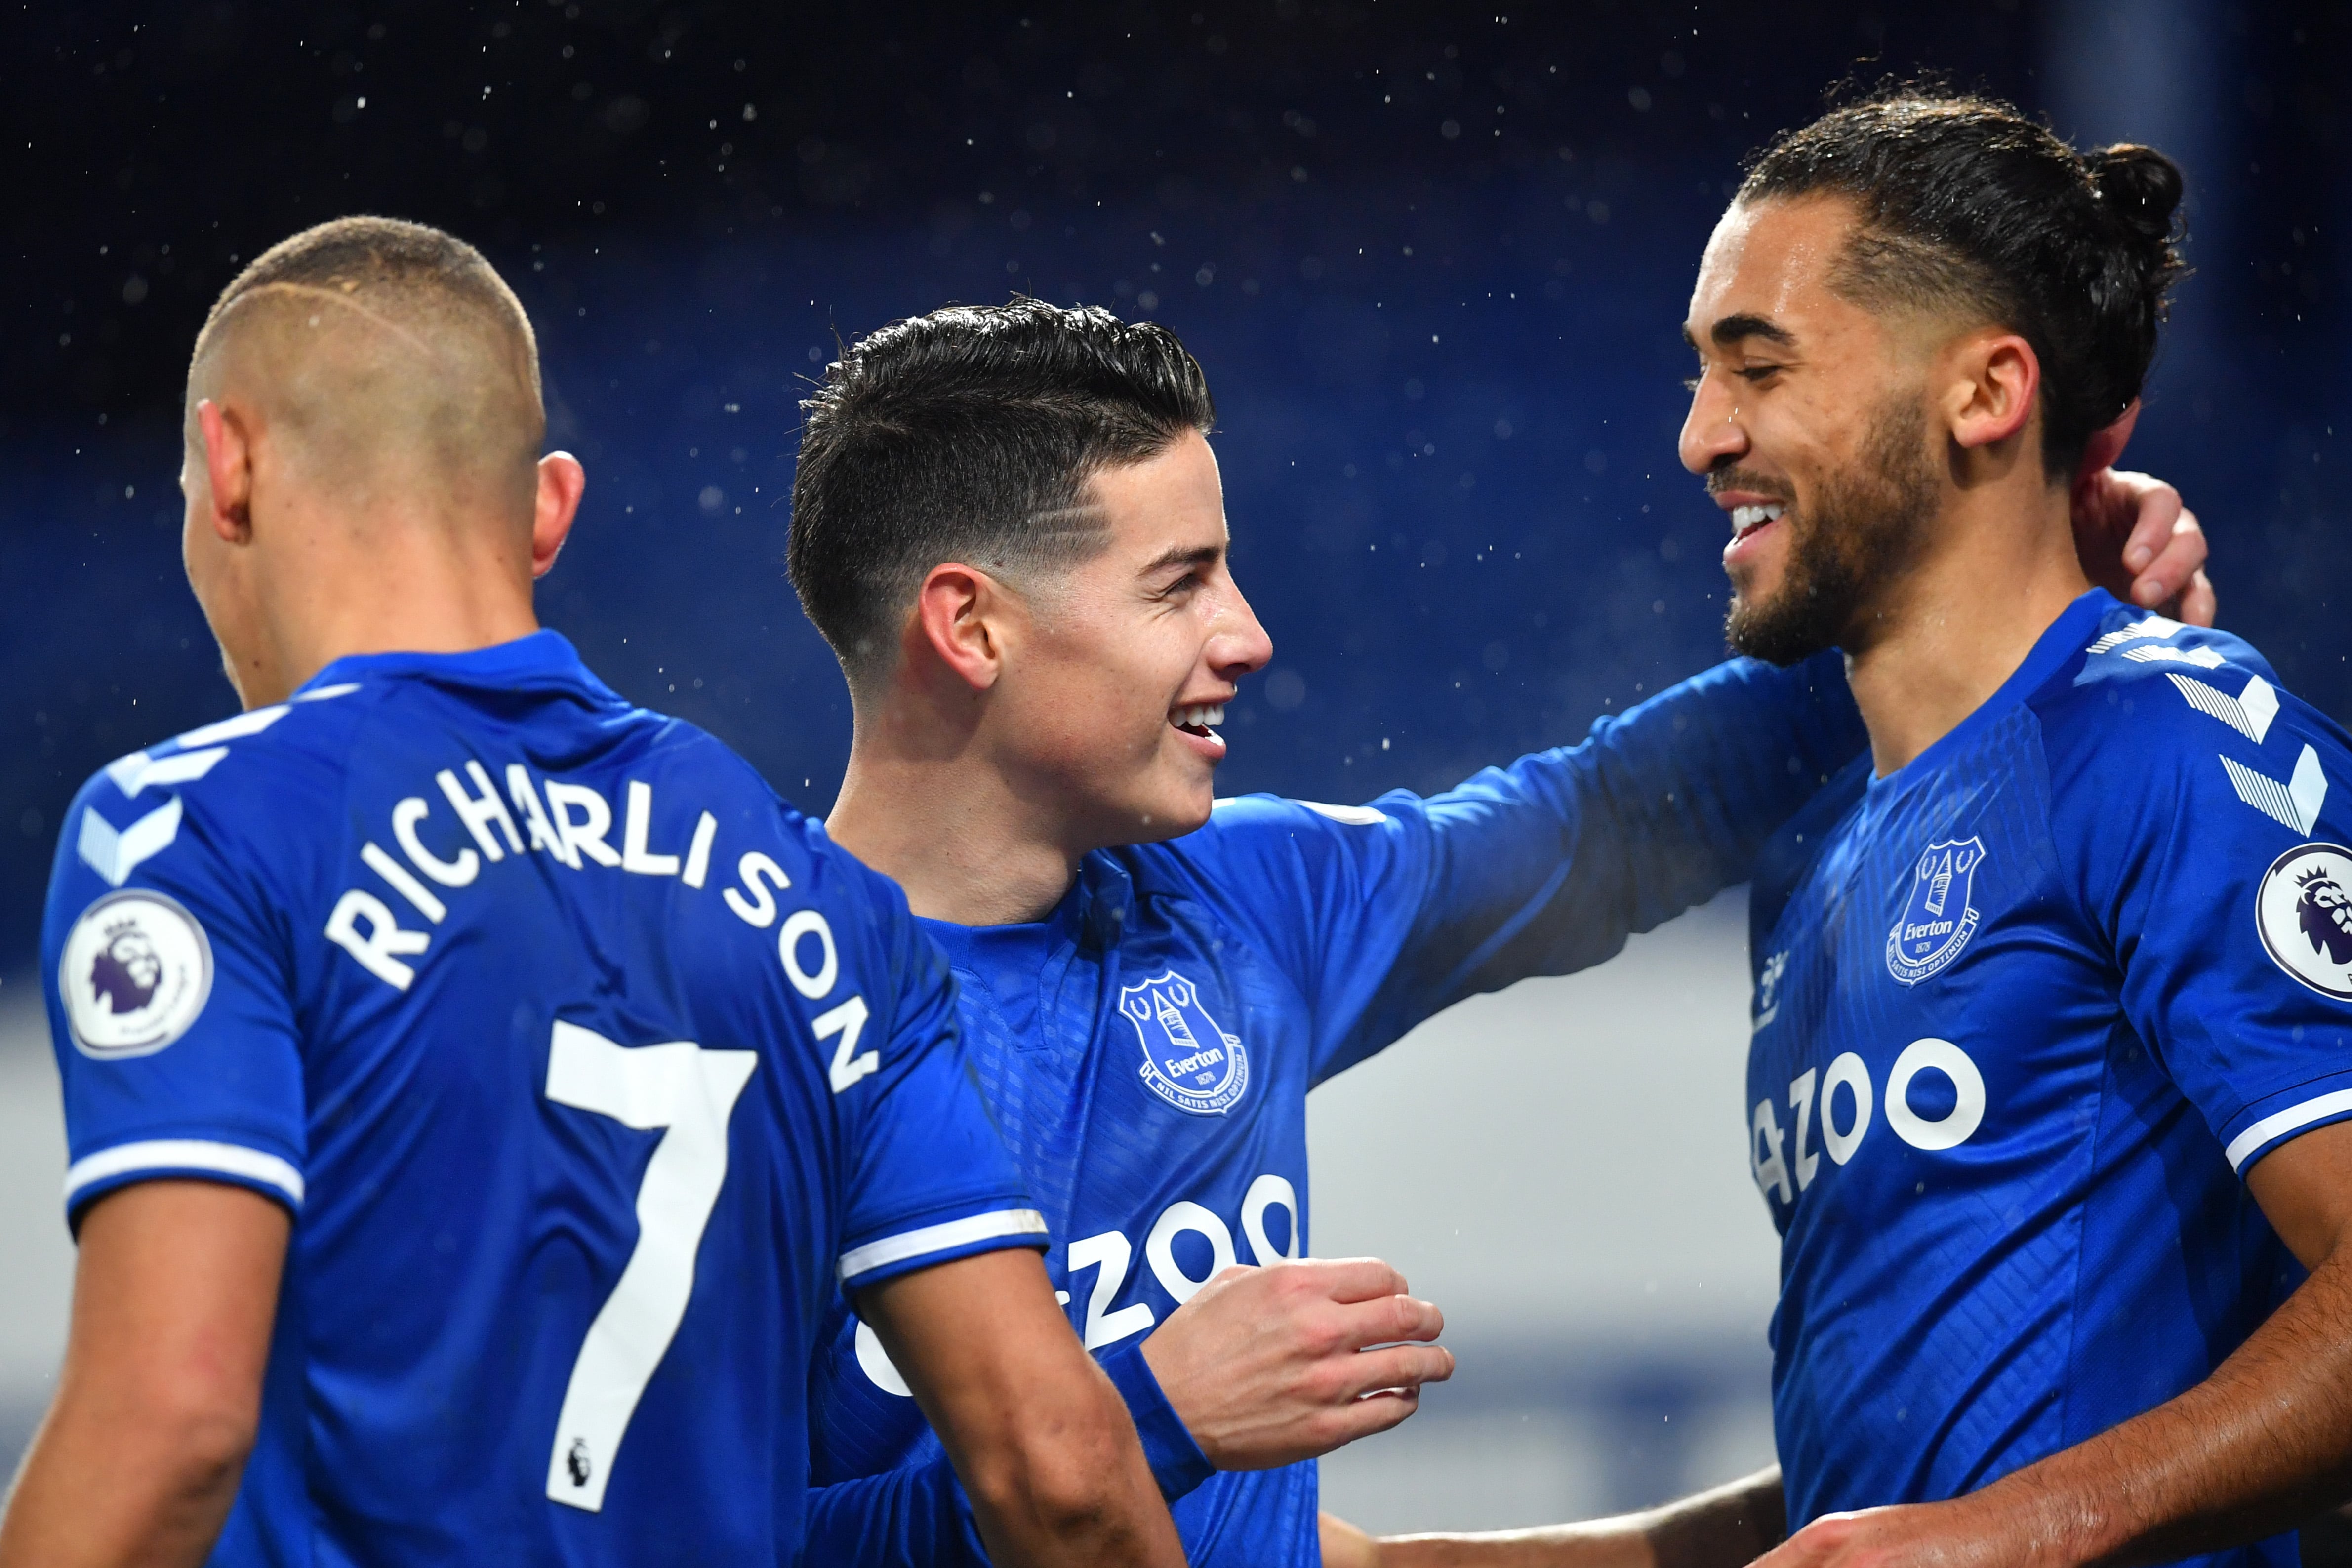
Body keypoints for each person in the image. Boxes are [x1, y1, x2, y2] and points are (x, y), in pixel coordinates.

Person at [781, 296, 2214, 1566]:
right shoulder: (732, 1011)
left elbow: (1604, 822)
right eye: (1178, 583)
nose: (1246, 634)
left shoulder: (1235, 897)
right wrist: (1147, 1419)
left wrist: (1986, 573)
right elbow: (685, 1535)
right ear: (971, 629)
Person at [0, 218, 1184, 1568]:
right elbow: (1062, 1471)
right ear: (549, 508)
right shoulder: (821, 898)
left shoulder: (199, 830)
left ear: (229, 469)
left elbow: (172, 1424)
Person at [1333, 88, 2352, 1568]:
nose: (1698, 436)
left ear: (1985, 393)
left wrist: (2019, 1534)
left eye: (1757, 366)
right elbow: (1886, 1511)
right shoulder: (1822, 849)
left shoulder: (2170, 742)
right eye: (1698, 372)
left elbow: (1981, 1526)